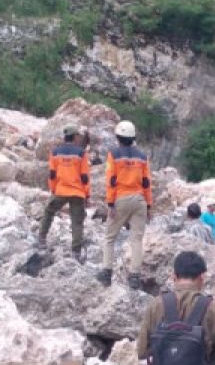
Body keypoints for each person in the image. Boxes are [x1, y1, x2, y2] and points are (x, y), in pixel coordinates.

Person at [100, 120, 153, 290]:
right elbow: (146, 182)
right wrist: (149, 205)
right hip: (139, 200)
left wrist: (110, 203)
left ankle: (106, 273)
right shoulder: (142, 157)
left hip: (121, 198)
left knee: (109, 237)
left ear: (118, 137)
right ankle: (134, 276)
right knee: (136, 239)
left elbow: (111, 180)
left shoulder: (114, 154)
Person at [38, 123, 90, 259]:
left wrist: (53, 189)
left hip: (60, 190)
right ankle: (76, 252)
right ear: (74, 137)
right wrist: (86, 194)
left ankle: (42, 239)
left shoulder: (55, 152)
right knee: (77, 221)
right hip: (77, 192)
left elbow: (52, 174)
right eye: (78, 136)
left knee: (49, 212)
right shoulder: (81, 153)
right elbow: (84, 176)